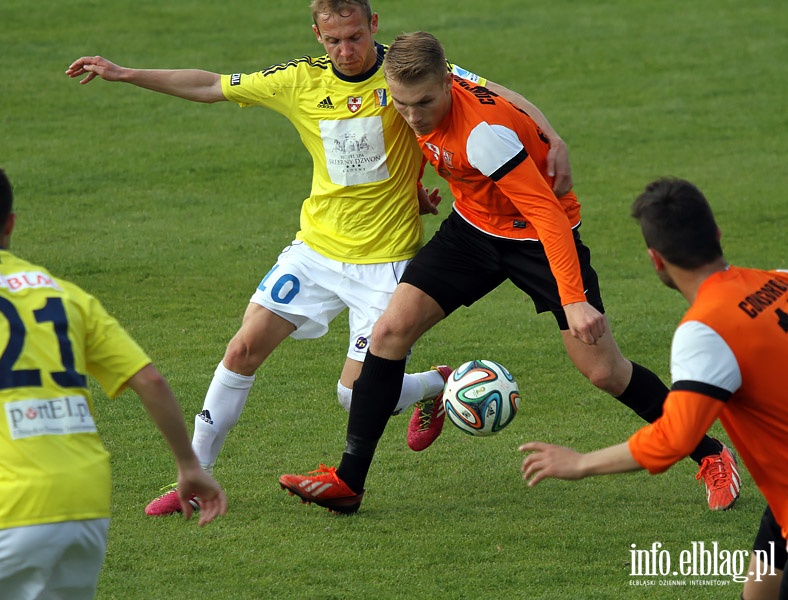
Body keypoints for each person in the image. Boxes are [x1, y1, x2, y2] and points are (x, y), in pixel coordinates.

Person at [66, 0, 575, 517]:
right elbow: (210, 85)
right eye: (333, 40)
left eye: (355, 36)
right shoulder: (298, 81)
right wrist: (123, 73)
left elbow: (494, 94)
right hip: (315, 251)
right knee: (241, 349)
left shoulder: (404, 77)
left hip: (385, 260)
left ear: (373, 25)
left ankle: (435, 384)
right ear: (317, 34)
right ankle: (193, 479)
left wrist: (551, 136)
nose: (346, 50)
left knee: (355, 398)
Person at [278, 31, 739, 515]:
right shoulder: (422, 90)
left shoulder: (484, 137)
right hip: (474, 228)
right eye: (403, 103)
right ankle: (348, 482)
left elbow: (549, 216)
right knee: (389, 331)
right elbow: (496, 94)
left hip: (537, 239)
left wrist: (574, 297)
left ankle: (712, 455)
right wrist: (547, 138)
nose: (413, 115)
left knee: (603, 370)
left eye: (424, 103)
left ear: (447, 82)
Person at [0, 162, 227, 600]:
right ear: (11, 223)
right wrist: (188, 465)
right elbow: (150, 380)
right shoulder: (64, 293)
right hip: (85, 511)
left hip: (6, 506)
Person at [521, 178, 788, 599]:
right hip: (782, 495)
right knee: (759, 591)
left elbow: (673, 438)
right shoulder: (779, 279)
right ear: (717, 234)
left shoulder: (705, 331)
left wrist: (581, 464)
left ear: (655, 260)